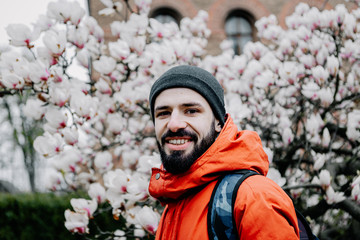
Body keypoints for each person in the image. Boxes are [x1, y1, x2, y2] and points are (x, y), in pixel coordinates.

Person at [148, 65, 300, 239]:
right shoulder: (175, 200)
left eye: (191, 111)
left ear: (219, 122)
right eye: (163, 113)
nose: (174, 124)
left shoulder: (253, 197)